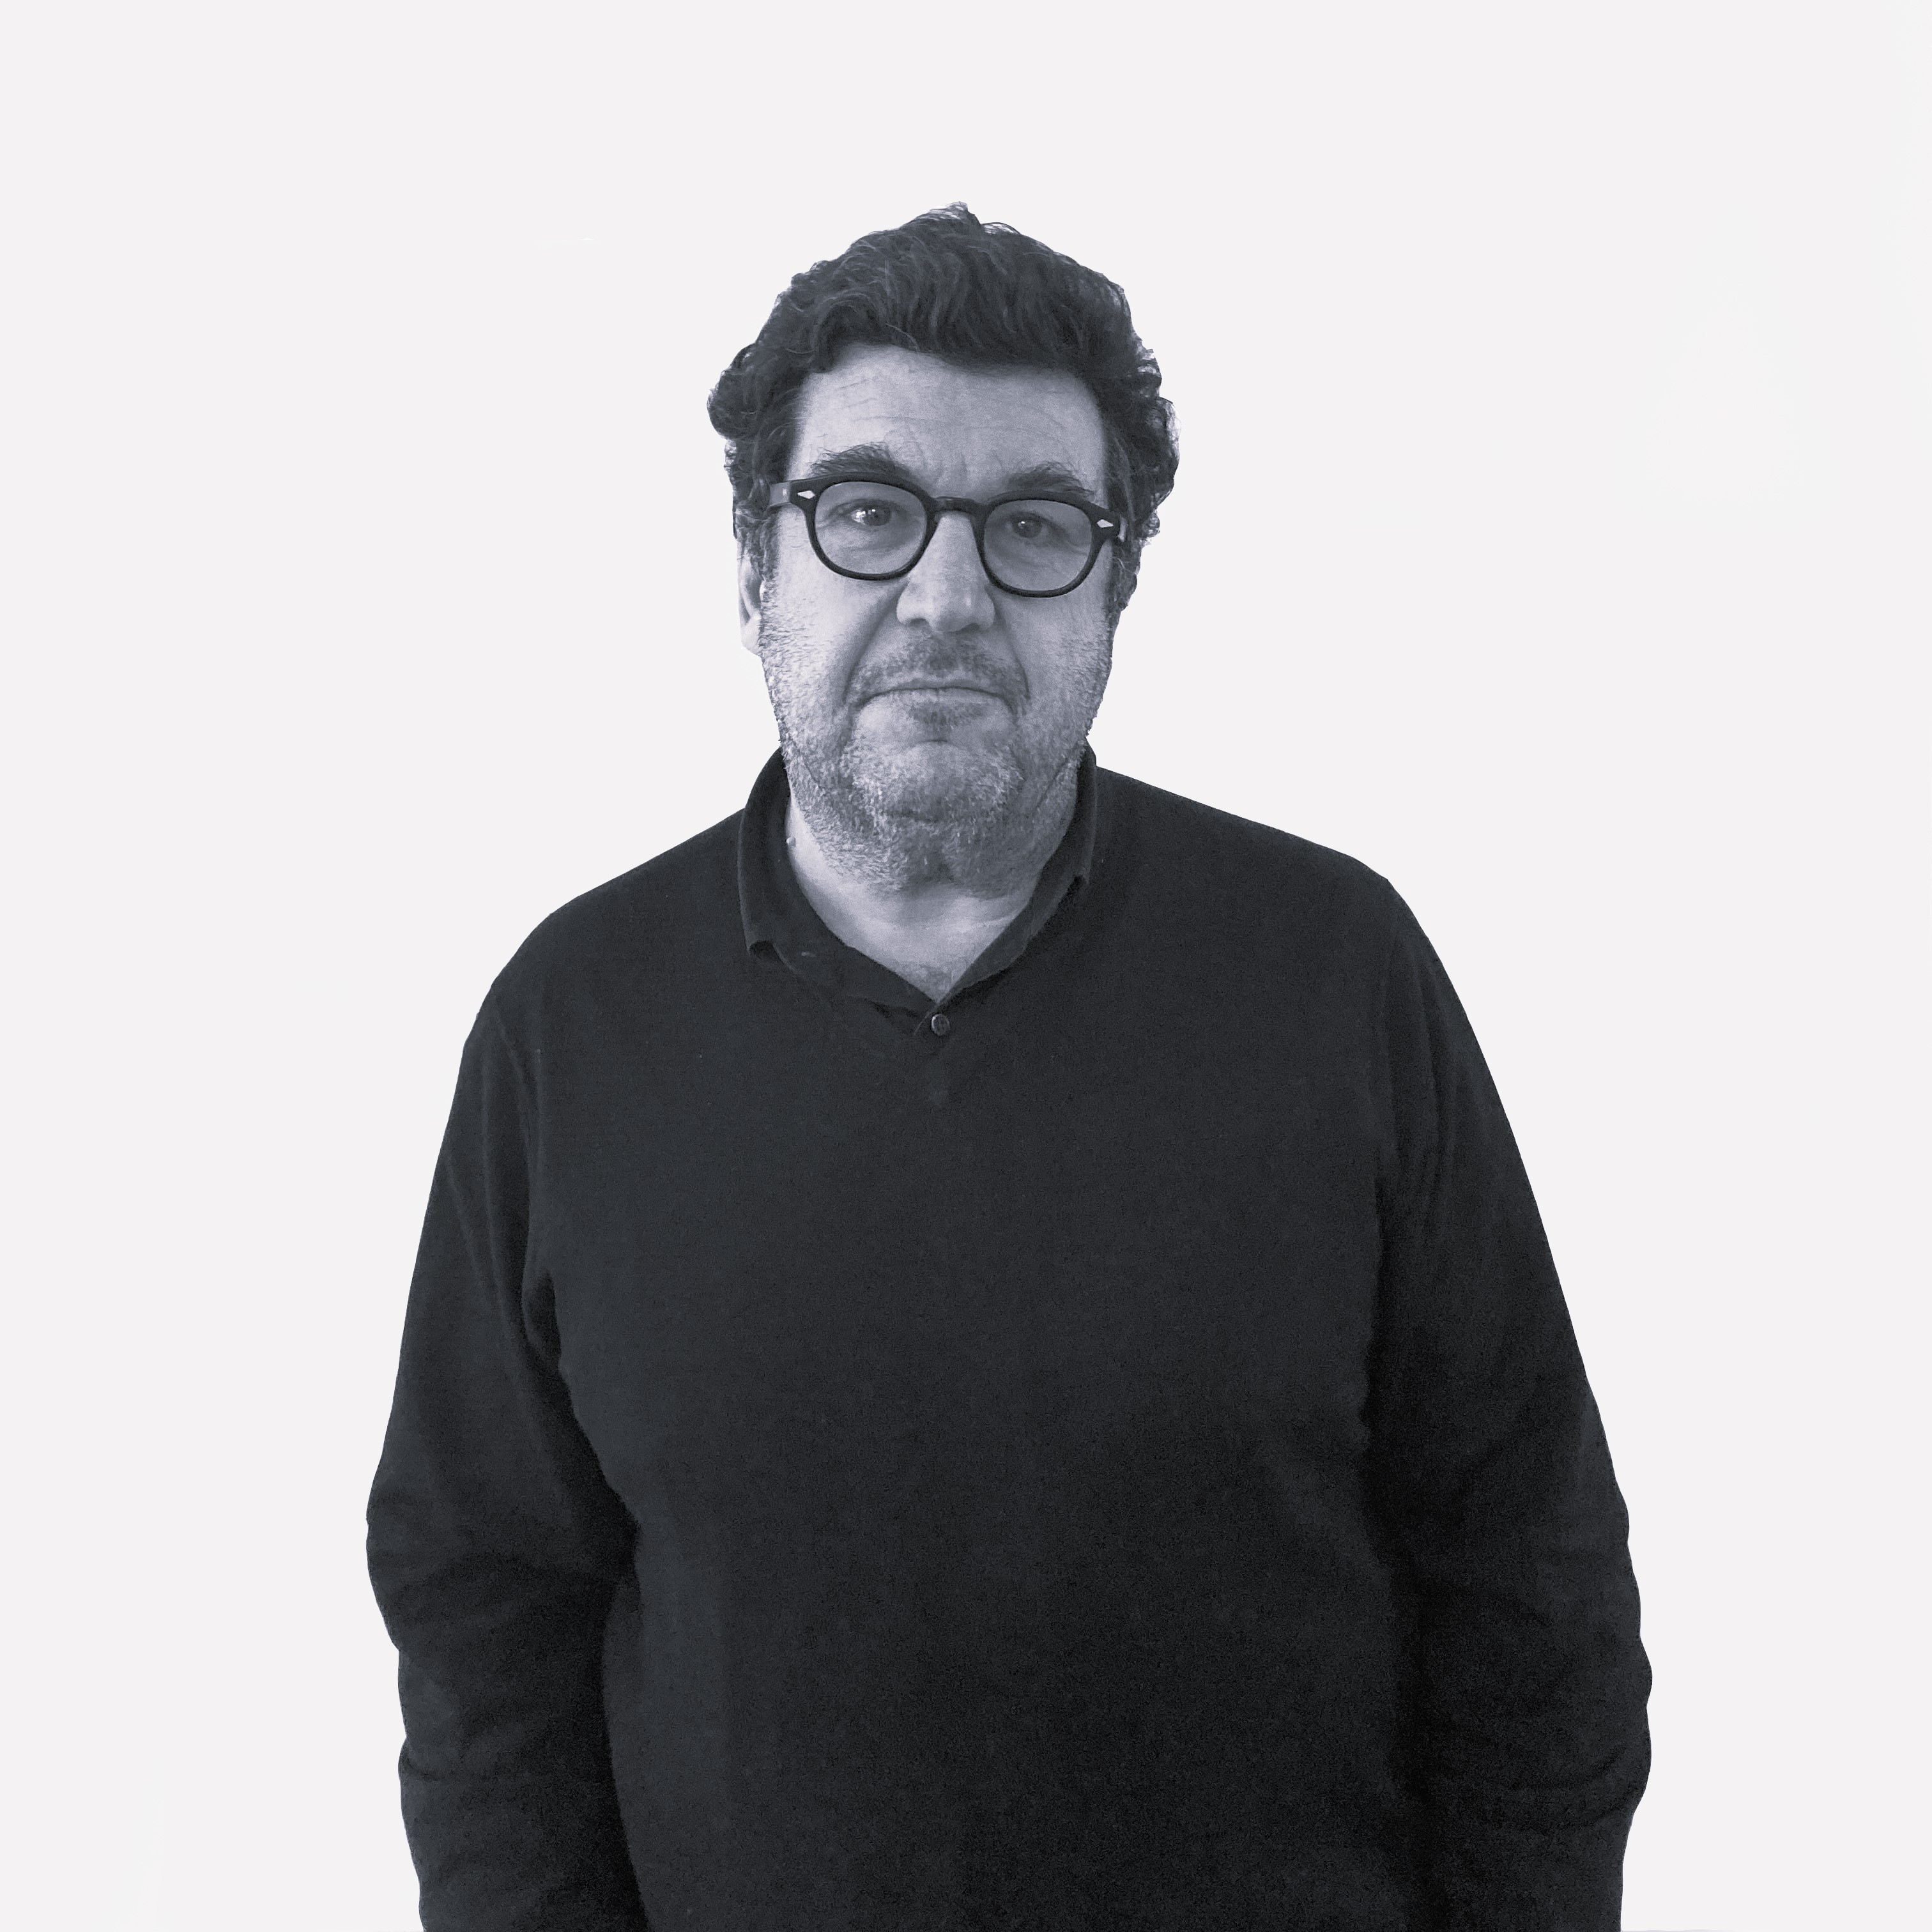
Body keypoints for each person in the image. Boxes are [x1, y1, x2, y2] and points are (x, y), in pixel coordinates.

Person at [367, 204, 1650, 1932]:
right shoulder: (571, 1025)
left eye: (1035, 527)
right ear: (754, 568)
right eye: (868, 512)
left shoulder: (1335, 974)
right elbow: (485, 1621)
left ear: (1116, 586)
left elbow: (1532, 1581)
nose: (948, 597)